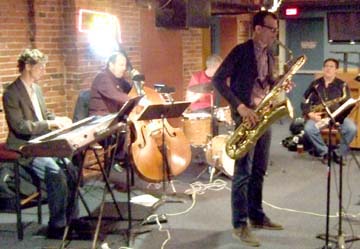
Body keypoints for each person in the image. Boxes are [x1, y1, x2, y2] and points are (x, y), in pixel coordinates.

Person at [212, 11, 284, 247]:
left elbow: (267, 82)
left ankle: (257, 215)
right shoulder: (241, 51)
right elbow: (218, 80)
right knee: (243, 173)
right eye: (272, 28)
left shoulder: (270, 54)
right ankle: (239, 224)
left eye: (276, 29)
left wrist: (281, 83)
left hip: (263, 115)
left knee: (260, 170)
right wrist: (240, 107)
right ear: (257, 29)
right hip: (246, 117)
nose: (275, 33)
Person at [2, 48, 88, 239]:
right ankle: (57, 225)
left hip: (42, 141)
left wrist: (58, 118)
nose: (43, 71)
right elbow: (20, 126)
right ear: (27, 67)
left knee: (71, 167)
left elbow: (43, 114)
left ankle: (72, 218)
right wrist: (50, 123)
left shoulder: (37, 90)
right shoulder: (11, 93)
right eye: (40, 67)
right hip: (25, 146)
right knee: (54, 172)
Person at [301, 58, 357, 164]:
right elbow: (304, 101)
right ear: (323, 68)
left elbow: (347, 104)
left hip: (337, 117)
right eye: (326, 66)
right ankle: (325, 152)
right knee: (309, 129)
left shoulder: (342, 85)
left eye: (331, 66)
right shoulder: (315, 84)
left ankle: (338, 153)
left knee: (352, 129)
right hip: (319, 117)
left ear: (336, 70)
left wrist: (339, 117)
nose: (328, 68)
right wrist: (310, 114)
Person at [88, 51, 132, 116]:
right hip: (100, 118)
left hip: (113, 116)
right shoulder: (102, 77)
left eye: (125, 65)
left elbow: (130, 90)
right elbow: (115, 95)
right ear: (111, 64)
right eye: (121, 65)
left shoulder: (119, 78)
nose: (124, 68)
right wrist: (135, 101)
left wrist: (137, 82)